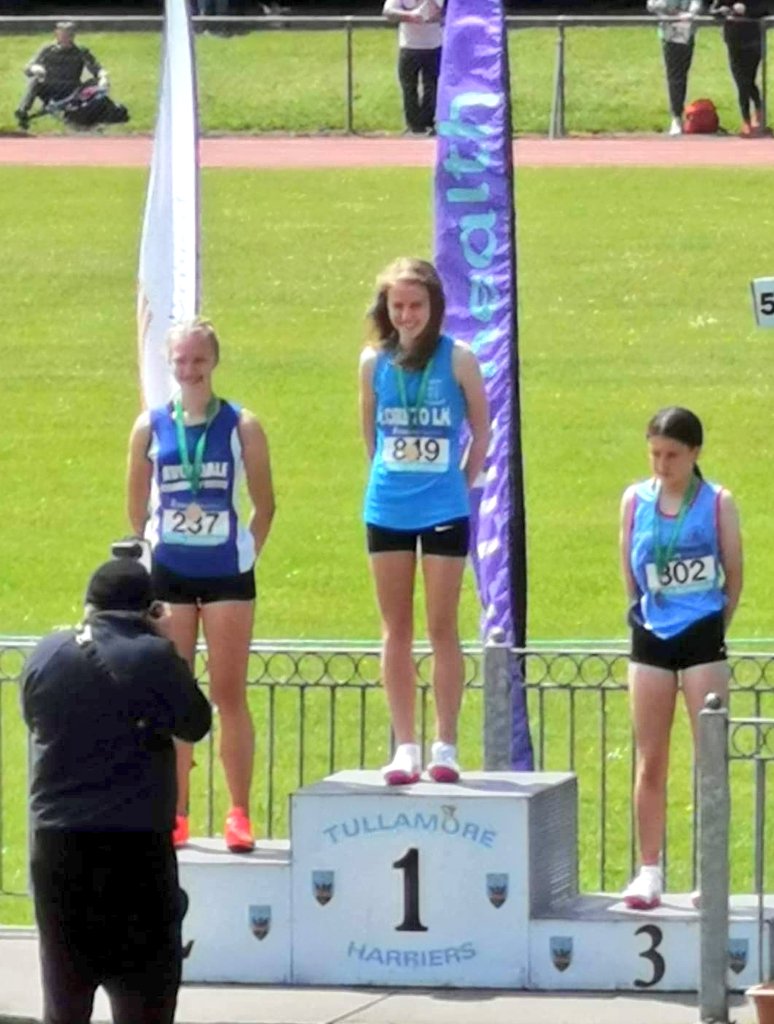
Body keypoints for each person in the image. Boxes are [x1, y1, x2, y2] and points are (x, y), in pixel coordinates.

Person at [21, 558, 212, 1024]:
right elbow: (196, 721)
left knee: (64, 999)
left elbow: (35, 720)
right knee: (144, 996)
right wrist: (166, 643)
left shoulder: (44, 655)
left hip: (57, 848)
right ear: (149, 610)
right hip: (134, 846)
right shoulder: (153, 656)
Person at [127, 318, 275, 853]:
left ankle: (238, 812)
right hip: (169, 571)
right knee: (174, 692)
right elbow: (135, 507)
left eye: (198, 361)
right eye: (181, 361)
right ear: (170, 364)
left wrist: (243, 552)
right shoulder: (150, 427)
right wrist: (154, 546)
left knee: (229, 694)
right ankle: (178, 811)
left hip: (227, 575)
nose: (189, 370)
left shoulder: (242, 426)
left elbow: (265, 504)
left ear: (214, 362)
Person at [359, 258, 490, 785]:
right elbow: (370, 434)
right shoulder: (373, 361)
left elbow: (481, 430)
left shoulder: (458, 359)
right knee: (395, 629)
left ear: (434, 306)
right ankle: (405, 746)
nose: (407, 315)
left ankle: (446, 744)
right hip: (388, 505)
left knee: (441, 626)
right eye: (398, 306)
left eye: (416, 305)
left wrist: (460, 480)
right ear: (386, 310)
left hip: (443, 507)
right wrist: (387, 478)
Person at [619, 407, 743, 909]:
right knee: (651, 759)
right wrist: (646, 614)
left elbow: (734, 576)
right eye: (654, 454)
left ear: (695, 453)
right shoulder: (635, 499)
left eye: (672, 455)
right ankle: (649, 870)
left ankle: (708, 874)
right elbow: (629, 569)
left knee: (708, 760)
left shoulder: (717, 503)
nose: (662, 465)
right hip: (651, 635)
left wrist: (714, 624)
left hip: (702, 636)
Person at [15, 21, 108, 131]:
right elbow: (28, 68)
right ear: (56, 34)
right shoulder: (47, 50)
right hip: (49, 89)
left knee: (96, 85)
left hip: (71, 90)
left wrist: (103, 77)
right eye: (62, 34)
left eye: (69, 34)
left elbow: (96, 68)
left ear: (73, 36)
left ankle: (92, 117)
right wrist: (34, 68)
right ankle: (22, 110)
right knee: (34, 80)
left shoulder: (81, 52)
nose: (65, 37)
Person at [382, 0, 445, 136]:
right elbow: (388, 12)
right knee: (408, 87)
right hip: (408, 46)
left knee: (432, 86)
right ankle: (414, 126)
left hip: (433, 46)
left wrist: (430, 16)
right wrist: (409, 16)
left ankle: (428, 122)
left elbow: (441, 13)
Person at [710, 0, 769, 135]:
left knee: (748, 81)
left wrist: (745, 10)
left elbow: (764, 10)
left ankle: (758, 110)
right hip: (733, 43)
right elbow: (712, 11)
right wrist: (721, 11)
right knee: (741, 83)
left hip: (753, 43)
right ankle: (746, 120)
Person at [647, 0, 704, 135]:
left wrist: (690, 13)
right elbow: (651, 5)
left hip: (686, 31)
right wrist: (666, 7)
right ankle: (676, 117)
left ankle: (679, 114)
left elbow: (697, 4)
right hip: (669, 32)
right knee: (675, 77)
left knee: (682, 74)